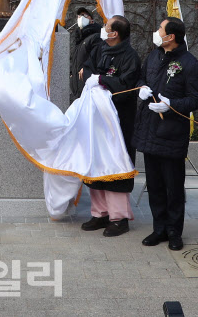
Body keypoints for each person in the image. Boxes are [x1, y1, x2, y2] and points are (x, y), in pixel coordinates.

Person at [132, 17, 198, 251]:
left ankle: (174, 230)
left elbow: (195, 99)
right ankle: (159, 227)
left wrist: (171, 104)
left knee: (173, 186)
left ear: (170, 36)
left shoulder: (189, 63)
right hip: (150, 129)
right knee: (154, 184)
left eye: (159, 29)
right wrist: (142, 88)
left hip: (171, 133)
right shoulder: (154, 55)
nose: (156, 32)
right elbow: (142, 76)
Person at [80, 15, 140, 236]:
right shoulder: (99, 48)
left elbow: (126, 84)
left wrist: (102, 81)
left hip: (117, 120)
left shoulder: (130, 57)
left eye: (107, 27)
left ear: (115, 33)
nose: (103, 30)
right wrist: (93, 78)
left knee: (115, 163)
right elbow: (87, 69)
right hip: (95, 119)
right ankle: (100, 213)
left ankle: (119, 218)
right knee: (95, 161)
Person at [70, 6, 100, 99]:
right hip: (77, 89)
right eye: (79, 15)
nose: (81, 18)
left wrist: (86, 69)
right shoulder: (79, 39)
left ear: (92, 20)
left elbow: (96, 59)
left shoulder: (96, 37)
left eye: (85, 15)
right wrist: (71, 74)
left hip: (88, 88)